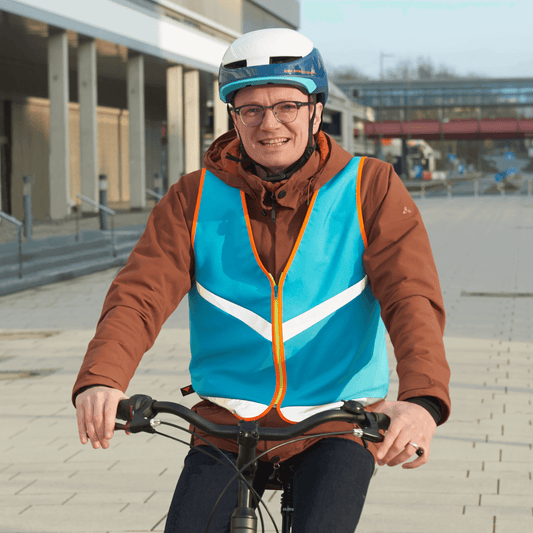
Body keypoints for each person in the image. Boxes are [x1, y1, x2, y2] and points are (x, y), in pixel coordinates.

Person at [73, 28, 451, 532]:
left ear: (316, 111)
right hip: (227, 421)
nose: (269, 123)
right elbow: (139, 295)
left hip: (337, 419)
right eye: (250, 109)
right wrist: (102, 379)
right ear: (233, 117)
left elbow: (411, 296)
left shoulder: (370, 186)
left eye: (287, 106)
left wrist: (422, 400)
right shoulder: (193, 197)